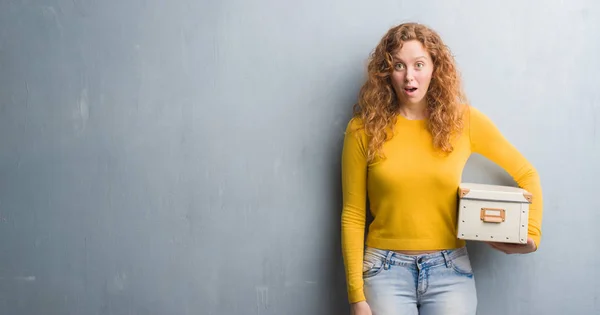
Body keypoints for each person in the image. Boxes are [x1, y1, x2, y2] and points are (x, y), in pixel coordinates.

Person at [340, 22, 543, 315]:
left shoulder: (464, 121)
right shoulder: (362, 129)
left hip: (450, 271)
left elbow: (527, 174)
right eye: (399, 65)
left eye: (419, 64)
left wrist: (531, 235)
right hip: (384, 271)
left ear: (435, 67)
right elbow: (353, 215)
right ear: (386, 72)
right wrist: (356, 297)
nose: (409, 76)